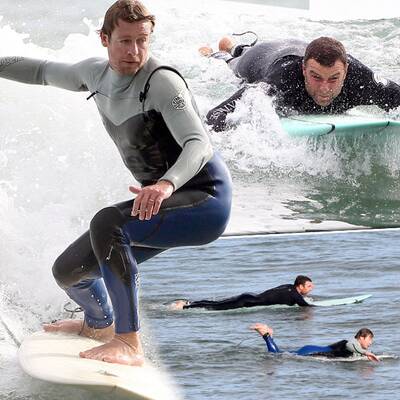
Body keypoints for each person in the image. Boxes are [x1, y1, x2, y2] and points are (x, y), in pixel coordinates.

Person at [0, 0, 232, 366]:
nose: (134, 51)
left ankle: (128, 342)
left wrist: (166, 185)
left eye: (142, 41)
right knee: (70, 271)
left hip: (203, 199)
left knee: (107, 223)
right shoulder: (95, 75)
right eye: (124, 41)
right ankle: (99, 324)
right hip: (159, 201)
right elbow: (41, 70)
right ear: (104, 39)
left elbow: (199, 144)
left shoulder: (162, 82)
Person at [205, 36, 400, 131]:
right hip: (260, 58)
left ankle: (233, 46)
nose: (325, 88)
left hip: (301, 48)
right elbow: (215, 114)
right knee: (233, 64)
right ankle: (222, 52)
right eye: (316, 77)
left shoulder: (360, 80)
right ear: (304, 70)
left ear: (346, 72)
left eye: (334, 78)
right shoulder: (283, 80)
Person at [171, 275, 314, 310]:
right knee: (215, 307)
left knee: (216, 303)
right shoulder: (294, 294)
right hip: (246, 301)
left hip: (248, 296)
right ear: (300, 286)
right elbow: (306, 307)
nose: (310, 288)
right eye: (308, 286)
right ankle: (185, 306)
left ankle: (188, 303)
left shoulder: (288, 286)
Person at [251, 323, 380, 362]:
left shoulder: (357, 348)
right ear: (362, 337)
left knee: (280, 354)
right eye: (370, 339)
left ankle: (269, 335)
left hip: (312, 349)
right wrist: (366, 353)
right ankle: (266, 335)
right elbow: (350, 346)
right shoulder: (352, 342)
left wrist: (366, 354)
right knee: (276, 356)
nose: (370, 343)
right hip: (312, 351)